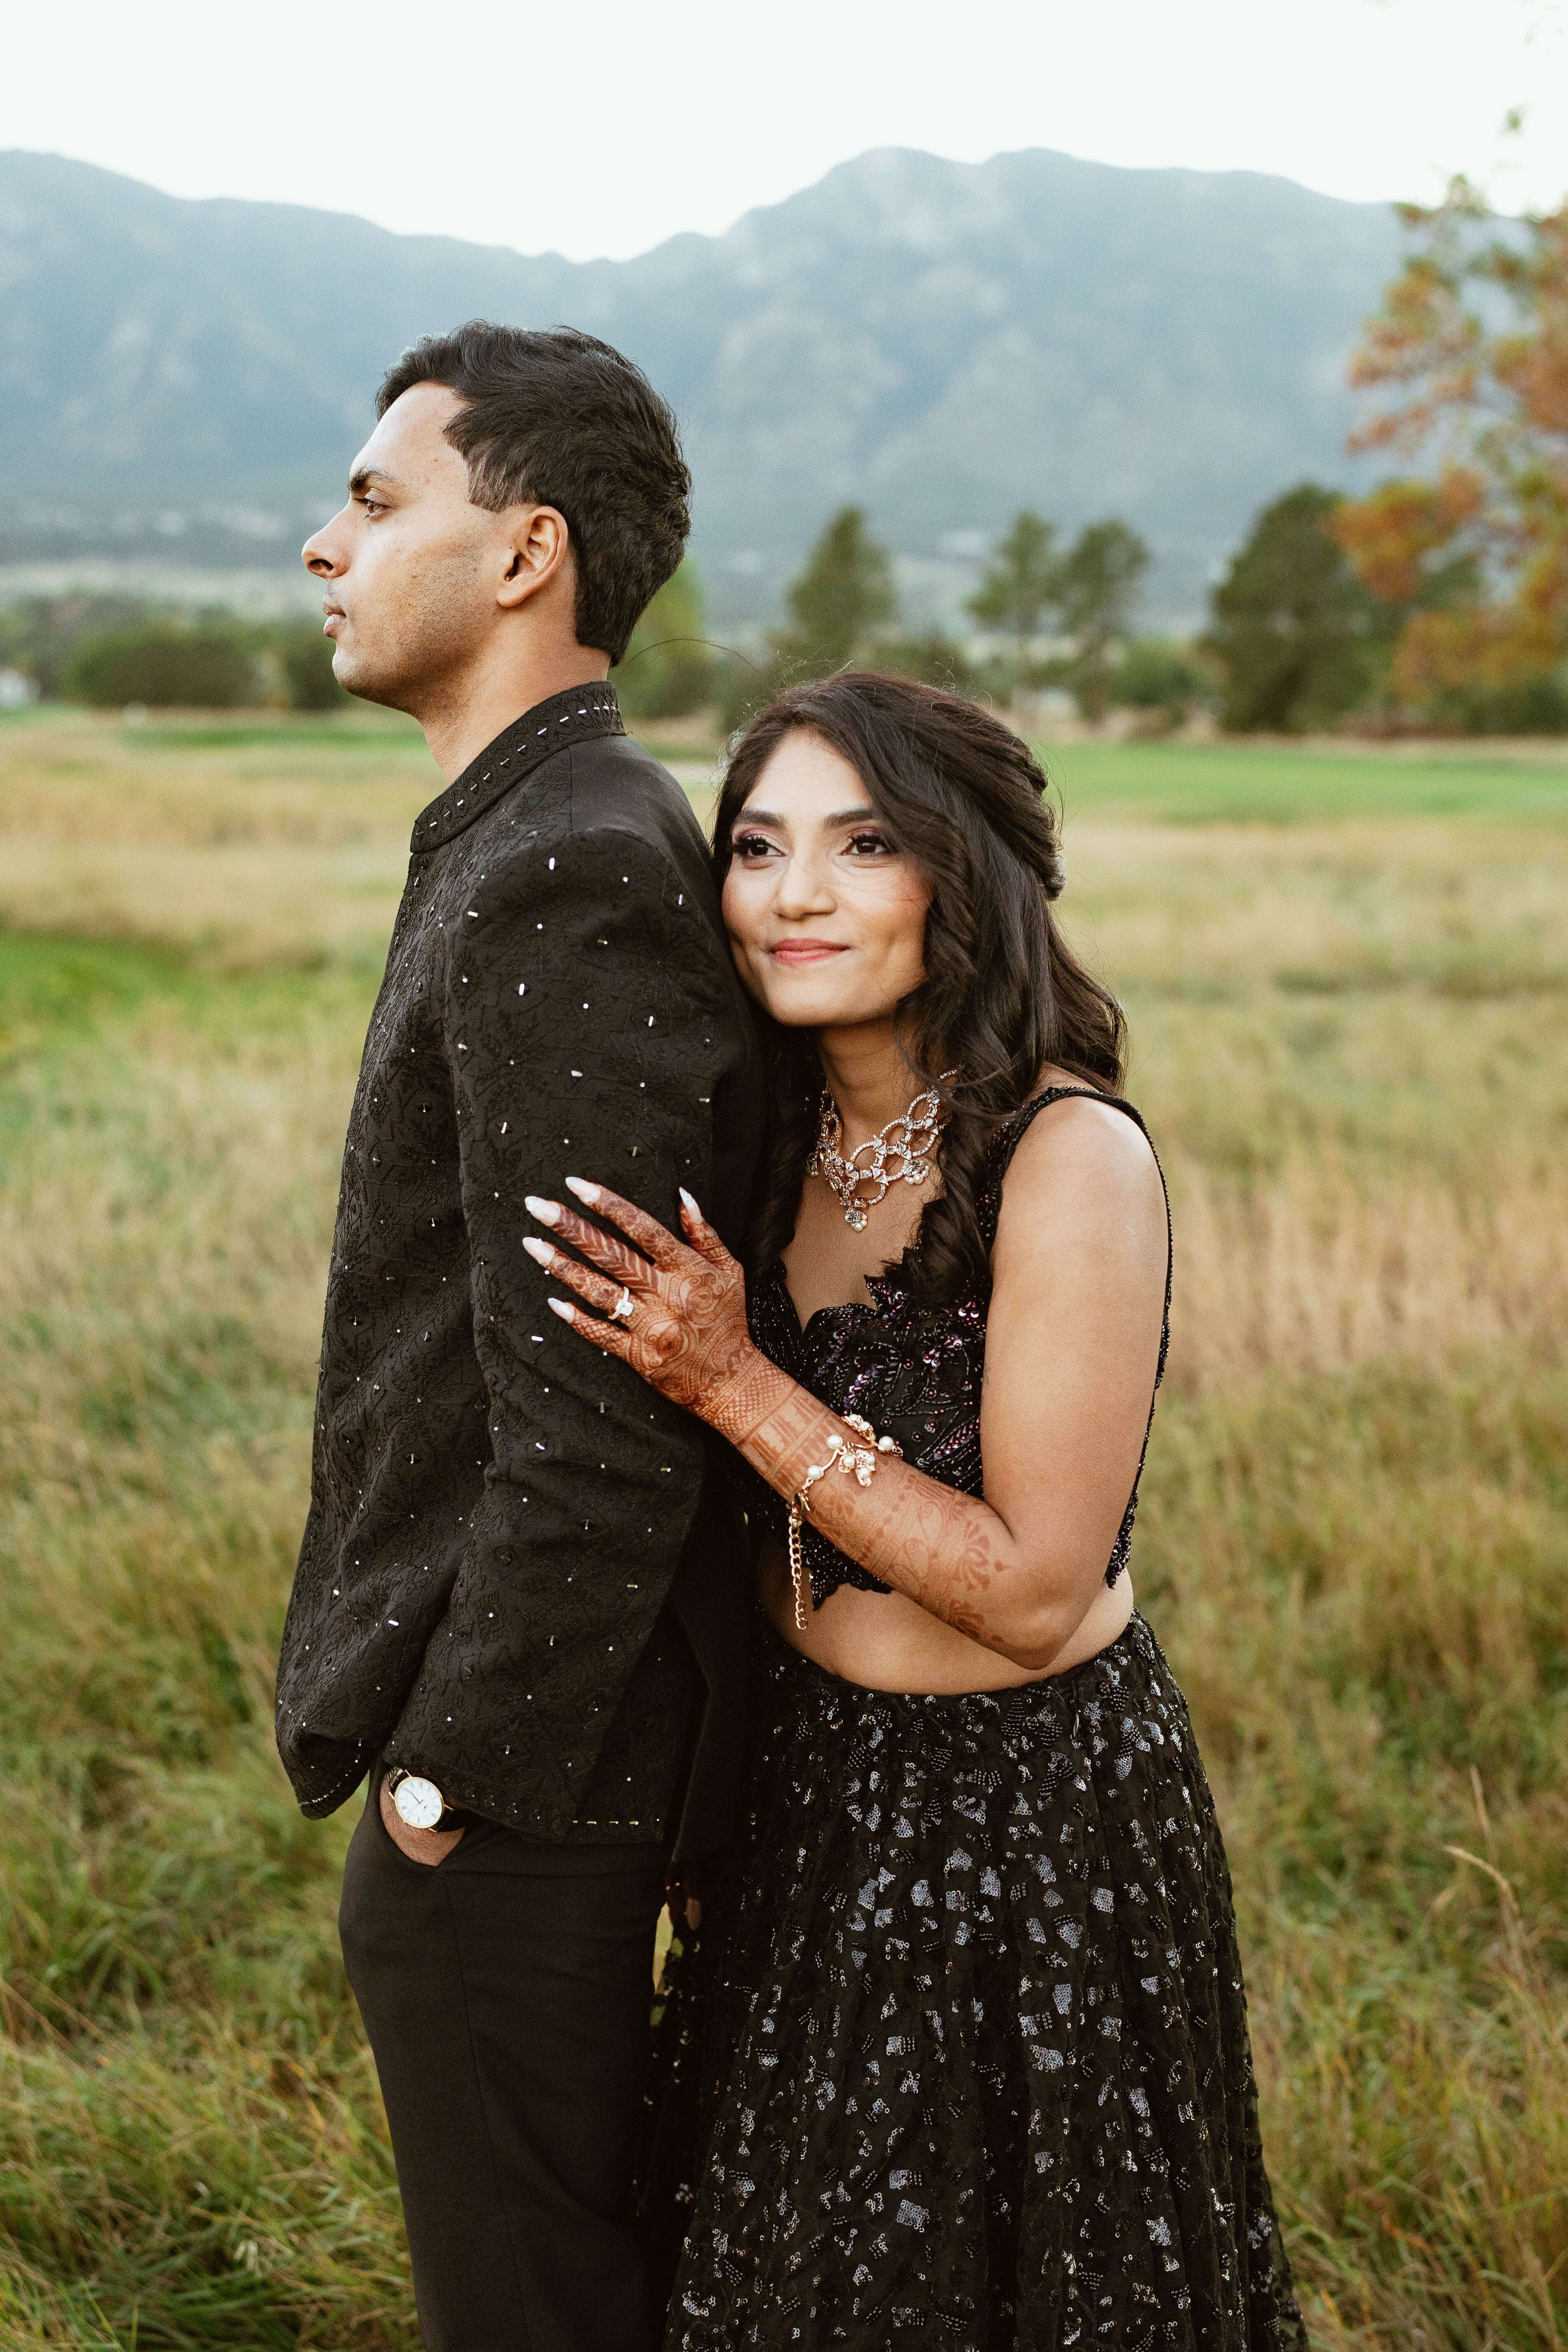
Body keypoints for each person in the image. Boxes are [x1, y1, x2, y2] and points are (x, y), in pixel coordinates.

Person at [525, 672, 1307, 2349]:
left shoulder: (1063, 1158)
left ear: (965, 873)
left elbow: (1030, 1589)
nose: (793, 892)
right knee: (787, 2275)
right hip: (802, 1791)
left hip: (1026, 1827)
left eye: (859, 842)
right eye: (754, 846)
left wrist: (734, 1379)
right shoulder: (761, 1139)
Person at [273, 320, 761, 2352]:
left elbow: (603, 1417)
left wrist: (446, 1786)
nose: (324, 547)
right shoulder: (521, 828)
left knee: (538, 2311)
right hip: (527, 1770)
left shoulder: (563, 861)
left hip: (528, 1787)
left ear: (524, 553)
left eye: (378, 502)